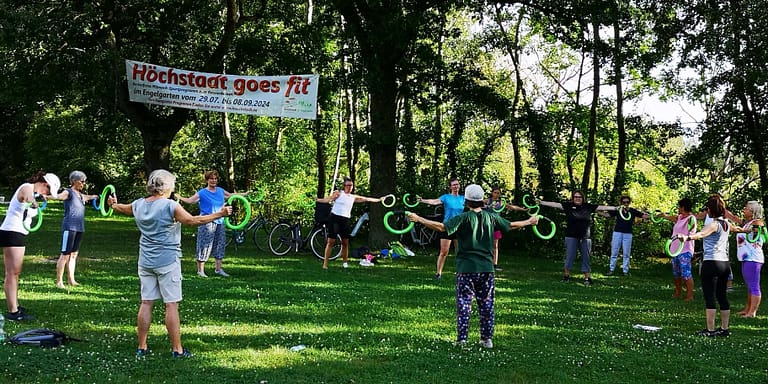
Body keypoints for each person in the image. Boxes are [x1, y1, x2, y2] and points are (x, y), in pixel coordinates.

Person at [108, 169, 231, 357]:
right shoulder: (170, 206)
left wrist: (113, 205)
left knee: (146, 302)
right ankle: (177, 350)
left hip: (146, 261)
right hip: (167, 261)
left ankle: (142, 347)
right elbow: (191, 220)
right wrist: (219, 214)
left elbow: (121, 208)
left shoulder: (139, 204)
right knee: (171, 305)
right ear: (167, 186)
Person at [408, 184, 538, 348]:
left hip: (466, 269)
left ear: (467, 201)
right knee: (486, 304)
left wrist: (418, 218)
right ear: (482, 201)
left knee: (464, 304)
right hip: (486, 269)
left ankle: (462, 339)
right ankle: (486, 339)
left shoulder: (462, 218)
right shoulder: (491, 217)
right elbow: (511, 225)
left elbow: (441, 227)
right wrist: (529, 221)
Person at [0, 171, 60, 321]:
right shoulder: (27, 187)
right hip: (12, 232)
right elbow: (28, 196)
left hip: (18, 233)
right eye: (47, 190)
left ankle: (15, 306)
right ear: (44, 184)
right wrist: (33, 201)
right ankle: (13, 312)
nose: (46, 193)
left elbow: (54, 196)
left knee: (15, 273)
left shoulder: (36, 191)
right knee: (12, 273)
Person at [677, 195, 731, 337]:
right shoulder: (726, 224)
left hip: (711, 262)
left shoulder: (713, 224)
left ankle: (710, 330)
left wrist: (686, 237)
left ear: (711, 209)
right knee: (722, 296)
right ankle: (724, 329)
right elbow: (737, 229)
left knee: (709, 296)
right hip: (725, 264)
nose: (706, 211)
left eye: (707, 209)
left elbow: (701, 234)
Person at [177, 170, 245, 277]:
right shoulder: (202, 192)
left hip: (220, 221)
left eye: (215, 179)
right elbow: (190, 200)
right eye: (211, 179)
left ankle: (218, 269)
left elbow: (232, 195)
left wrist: (245, 194)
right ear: (207, 180)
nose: (213, 180)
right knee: (204, 244)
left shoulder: (220, 191)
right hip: (206, 222)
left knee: (220, 244)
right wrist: (179, 197)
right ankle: (200, 271)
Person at [539, 191, 615, 285]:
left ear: (583, 198)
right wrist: (542, 202)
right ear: (573, 198)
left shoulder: (588, 206)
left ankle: (587, 278)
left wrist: (616, 208)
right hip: (571, 236)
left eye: (579, 197)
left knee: (586, 257)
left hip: (585, 237)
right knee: (569, 256)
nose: (577, 198)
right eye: (575, 197)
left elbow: (602, 207)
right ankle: (566, 276)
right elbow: (555, 205)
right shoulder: (568, 206)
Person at [315, 177, 382, 269]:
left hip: (345, 220)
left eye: (351, 185)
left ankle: (345, 263)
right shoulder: (338, 194)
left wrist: (379, 200)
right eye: (348, 185)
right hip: (335, 218)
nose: (349, 187)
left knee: (345, 242)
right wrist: (318, 200)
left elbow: (366, 199)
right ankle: (325, 264)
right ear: (344, 186)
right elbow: (328, 199)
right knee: (331, 242)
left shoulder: (353, 197)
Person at [54, 171, 99, 288]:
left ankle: (71, 280)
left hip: (79, 228)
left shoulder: (80, 195)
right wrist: (46, 196)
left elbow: (88, 197)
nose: (83, 183)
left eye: (84, 181)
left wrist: (96, 197)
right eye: (82, 181)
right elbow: (58, 196)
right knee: (65, 255)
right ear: (74, 181)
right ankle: (59, 282)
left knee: (73, 255)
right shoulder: (68, 192)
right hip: (69, 227)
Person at [419, 178, 464, 279]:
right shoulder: (446, 197)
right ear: (450, 187)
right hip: (446, 227)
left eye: (457, 184)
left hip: (459, 227)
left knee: (460, 252)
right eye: (454, 185)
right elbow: (434, 201)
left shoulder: (463, 198)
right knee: (444, 252)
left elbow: (476, 205)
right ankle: (438, 273)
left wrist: (489, 205)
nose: (456, 186)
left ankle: (460, 272)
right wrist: (422, 200)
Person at [600, 195, 649, 276]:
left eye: (627, 202)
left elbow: (643, 216)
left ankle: (625, 271)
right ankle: (611, 270)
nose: (625, 204)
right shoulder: (618, 210)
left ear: (629, 203)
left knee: (626, 253)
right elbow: (607, 215)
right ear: (621, 202)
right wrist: (596, 210)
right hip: (617, 233)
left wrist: (655, 216)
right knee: (614, 251)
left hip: (628, 234)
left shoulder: (632, 211)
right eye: (624, 202)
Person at [659, 198, 697, 301]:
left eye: (679, 206)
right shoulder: (679, 217)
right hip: (674, 249)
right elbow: (671, 218)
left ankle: (690, 296)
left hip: (685, 249)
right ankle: (678, 292)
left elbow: (692, 230)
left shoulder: (691, 218)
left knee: (686, 273)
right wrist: (663, 216)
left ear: (683, 207)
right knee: (676, 273)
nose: (678, 208)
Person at [731, 201, 764, 317]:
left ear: (752, 212)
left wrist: (740, 230)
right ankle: (747, 309)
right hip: (746, 258)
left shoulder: (757, 222)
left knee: (754, 285)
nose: (744, 210)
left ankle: (752, 312)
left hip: (753, 258)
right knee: (750, 285)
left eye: (746, 208)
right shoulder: (748, 223)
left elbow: (757, 229)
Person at [483, 186, 528, 271]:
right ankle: (484, 262)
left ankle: (494, 264)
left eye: (498, 193)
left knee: (495, 245)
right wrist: (487, 206)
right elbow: (476, 204)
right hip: (486, 225)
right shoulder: (487, 201)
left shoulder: (501, 203)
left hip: (497, 225)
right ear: (492, 193)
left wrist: (524, 209)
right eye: (495, 192)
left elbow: (512, 207)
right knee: (485, 244)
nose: (496, 194)